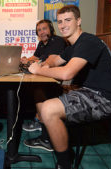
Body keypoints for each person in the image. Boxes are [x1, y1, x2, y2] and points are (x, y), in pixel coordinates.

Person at [28, 5, 111, 169]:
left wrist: (39, 70)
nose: (63, 25)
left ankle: (64, 165)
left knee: (49, 109)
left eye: (68, 20)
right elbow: (55, 60)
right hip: (89, 91)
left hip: (105, 98)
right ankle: (48, 137)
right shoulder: (73, 46)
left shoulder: (88, 41)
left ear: (78, 21)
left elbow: (67, 74)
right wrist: (43, 64)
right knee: (40, 92)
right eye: (60, 21)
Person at [21, 19, 67, 152]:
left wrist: (34, 65)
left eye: (44, 29)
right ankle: (40, 120)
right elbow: (35, 58)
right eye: (39, 30)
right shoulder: (42, 43)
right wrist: (25, 60)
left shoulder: (57, 41)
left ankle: (46, 135)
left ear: (51, 30)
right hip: (49, 76)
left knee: (39, 89)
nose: (42, 32)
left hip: (60, 80)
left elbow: (50, 60)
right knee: (36, 89)